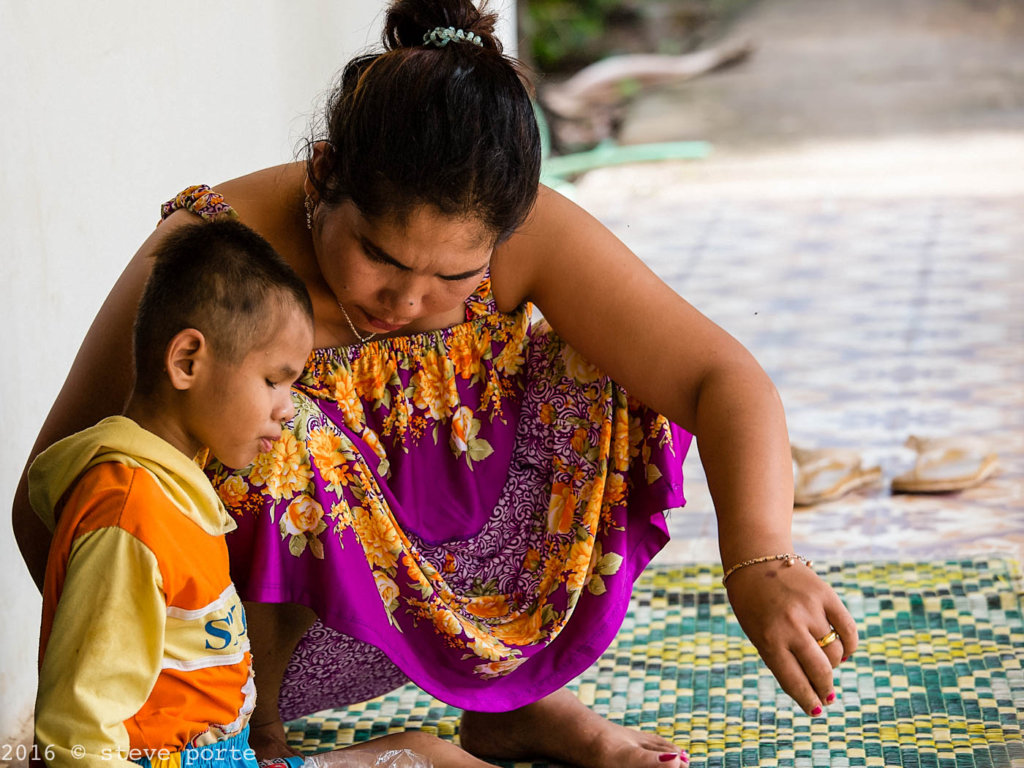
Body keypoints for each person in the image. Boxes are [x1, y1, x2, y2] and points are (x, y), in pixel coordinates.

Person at [14, 0, 859, 766]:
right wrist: (155, 659)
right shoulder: (215, 260)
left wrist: (761, 560)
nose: (408, 300)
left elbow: (720, 375)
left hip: (451, 597)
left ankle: (516, 700)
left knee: (602, 366)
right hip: (236, 645)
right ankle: (256, 736)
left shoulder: (519, 233)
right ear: (321, 177)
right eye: (381, 256)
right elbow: (62, 489)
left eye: (454, 275)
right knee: (276, 428)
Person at [29, 220, 316, 768]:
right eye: (274, 381)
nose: (287, 408)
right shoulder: (129, 511)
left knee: (424, 753)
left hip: (222, 754)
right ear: (187, 361)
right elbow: (78, 728)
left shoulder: (174, 487)